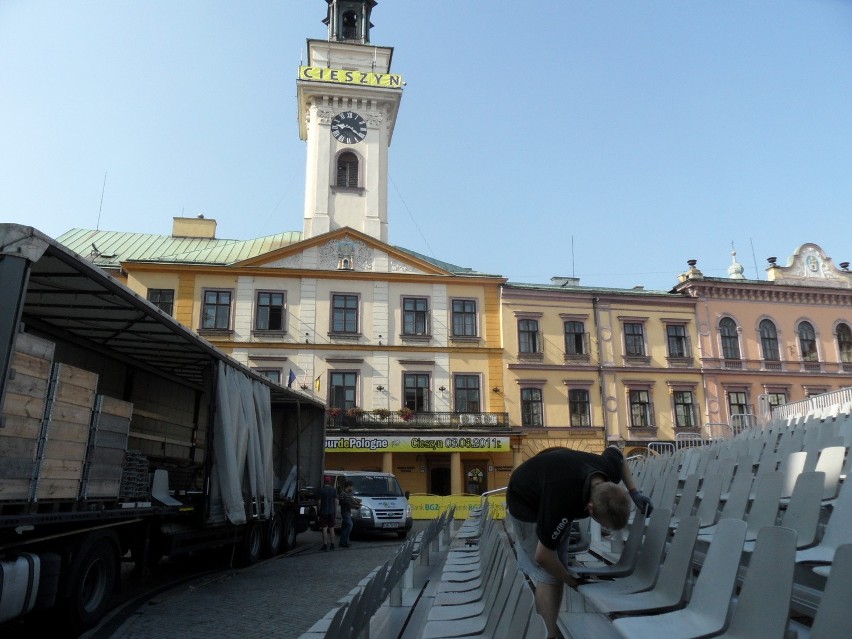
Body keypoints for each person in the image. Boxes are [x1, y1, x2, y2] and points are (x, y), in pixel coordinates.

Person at [505, 446, 653, 639]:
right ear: (589, 508)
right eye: (603, 525)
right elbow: (543, 556)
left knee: (558, 567)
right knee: (549, 573)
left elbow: (616, 452)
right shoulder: (561, 499)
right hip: (525, 500)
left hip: (554, 480)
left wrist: (634, 493)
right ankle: (546, 635)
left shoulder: (608, 470)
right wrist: (573, 582)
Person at [337, 480, 362, 548]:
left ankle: (344, 542)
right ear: (348, 486)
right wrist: (354, 506)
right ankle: (344, 542)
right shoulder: (343, 493)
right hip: (345, 511)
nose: (352, 488)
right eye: (352, 487)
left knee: (345, 527)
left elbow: (351, 500)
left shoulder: (349, 493)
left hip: (348, 511)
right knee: (349, 525)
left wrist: (356, 503)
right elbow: (343, 503)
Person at [318, 475, 338, 551]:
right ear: (329, 481)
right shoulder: (333, 490)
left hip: (323, 511)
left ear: (324, 481)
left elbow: (319, 502)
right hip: (331, 511)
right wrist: (334, 509)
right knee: (332, 528)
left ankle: (325, 545)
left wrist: (319, 510)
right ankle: (332, 545)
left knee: (324, 528)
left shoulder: (321, 490)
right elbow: (336, 501)